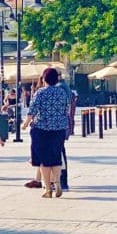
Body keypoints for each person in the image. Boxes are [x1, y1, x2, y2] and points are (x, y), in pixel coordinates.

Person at [22, 67, 70, 198]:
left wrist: (25, 124)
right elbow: (66, 109)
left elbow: (32, 110)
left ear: (44, 79)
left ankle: (48, 188)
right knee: (56, 157)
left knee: (43, 160)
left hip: (41, 129)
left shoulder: (40, 92)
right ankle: (58, 183)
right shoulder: (62, 93)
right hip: (59, 129)